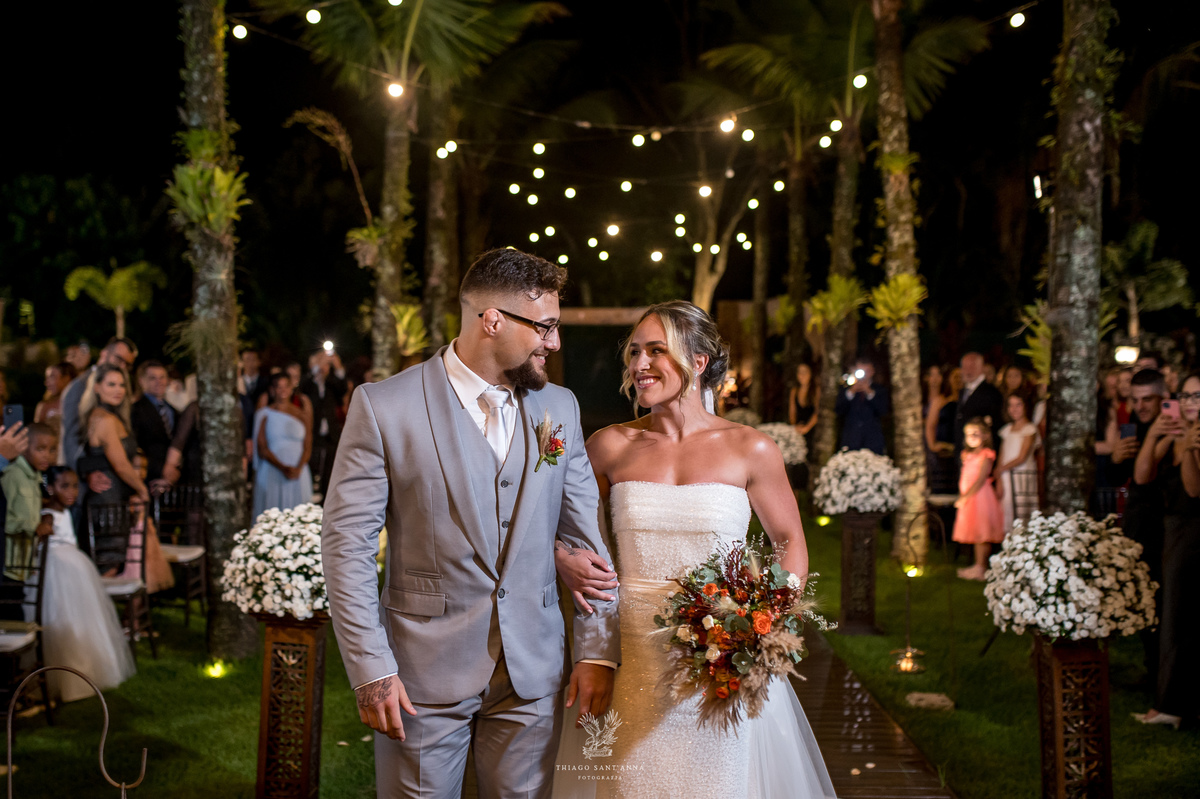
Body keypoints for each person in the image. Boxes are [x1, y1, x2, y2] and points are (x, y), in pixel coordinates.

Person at [322, 248, 621, 799]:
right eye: (545, 327)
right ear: (493, 321)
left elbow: (585, 543)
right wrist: (371, 668)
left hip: (532, 672)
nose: (555, 342)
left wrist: (596, 651)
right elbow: (347, 547)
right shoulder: (384, 407)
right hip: (421, 675)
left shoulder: (559, 408)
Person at [554, 301, 835, 798]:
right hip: (632, 655)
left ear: (699, 361)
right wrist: (565, 565)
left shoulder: (752, 449)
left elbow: (789, 542)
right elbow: (572, 540)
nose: (640, 364)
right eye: (634, 352)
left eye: (656, 351)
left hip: (721, 658)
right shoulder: (608, 446)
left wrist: (762, 626)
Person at [1131, 374, 1200, 729]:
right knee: (1173, 617)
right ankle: (1172, 704)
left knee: (1179, 617)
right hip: (1172, 530)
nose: (1189, 403)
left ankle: (1173, 705)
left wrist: (1188, 447)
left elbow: (1194, 488)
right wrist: (1156, 435)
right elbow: (1143, 475)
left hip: (1192, 530)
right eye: (1185, 396)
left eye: (1196, 396)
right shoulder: (1176, 432)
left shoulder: (1194, 438)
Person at [38, 465, 137, 702]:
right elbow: (44, 528)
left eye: (74, 486)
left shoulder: (66, 511)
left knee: (82, 618)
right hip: (58, 570)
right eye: (64, 486)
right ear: (50, 488)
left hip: (74, 568)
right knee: (63, 618)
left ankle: (85, 670)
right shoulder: (49, 513)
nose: (71, 492)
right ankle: (67, 677)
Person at [58, 337, 137, 473]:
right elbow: (72, 436)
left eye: (128, 364)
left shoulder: (121, 386)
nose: (123, 366)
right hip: (88, 475)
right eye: (119, 359)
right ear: (104, 353)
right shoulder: (79, 385)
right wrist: (86, 472)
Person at [79, 363, 150, 513]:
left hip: (114, 496)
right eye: (111, 384)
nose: (118, 390)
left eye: (122, 385)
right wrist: (143, 490)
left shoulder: (107, 416)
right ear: (96, 387)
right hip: (108, 498)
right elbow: (120, 465)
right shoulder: (105, 420)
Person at [1, 423, 57, 581]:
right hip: (8, 564)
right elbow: (4, 519)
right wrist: (34, 527)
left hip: (24, 564)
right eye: (40, 449)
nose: (47, 455)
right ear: (23, 447)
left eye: (52, 450)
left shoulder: (36, 477)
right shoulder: (12, 474)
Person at [252, 372, 313, 517]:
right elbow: (262, 447)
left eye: (286, 386)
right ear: (272, 390)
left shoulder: (302, 414)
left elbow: (308, 445)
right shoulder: (265, 414)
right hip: (273, 470)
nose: (283, 390)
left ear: (291, 388)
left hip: (298, 471)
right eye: (279, 387)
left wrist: (298, 468)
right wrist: (283, 467)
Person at [952, 418, 1003, 581]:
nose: (971, 437)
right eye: (968, 434)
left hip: (980, 497)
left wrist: (965, 497)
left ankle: (982, 566)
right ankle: (977, 565)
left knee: (982, 532)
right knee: (975, 532)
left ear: (985, 435)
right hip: (969, 497)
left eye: (975, 433)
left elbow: (980, 479)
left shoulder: (986, 454)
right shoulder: (966, 454)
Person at [300, 350, 348, 499]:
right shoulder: (308, 384)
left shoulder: (331, 384)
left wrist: (338, 367)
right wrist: (316, 368)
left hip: (331, 436)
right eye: (320, 363)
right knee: (313, 467)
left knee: (330, 470)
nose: (323, 367)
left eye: (326, 364)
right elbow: (302, 386)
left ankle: (326, 500)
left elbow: (343, 389)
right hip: (312, 434)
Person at [994, 393, 1040, 533]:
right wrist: (999, 476)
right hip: (1006, 474)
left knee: (1020, 507)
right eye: (1011, 405)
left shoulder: (1029, 429)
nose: (1014, 409)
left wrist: (1002, 469)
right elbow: (1002, 455)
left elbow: (1022, 457)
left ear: (1025, 406)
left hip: (1022, 473)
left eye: (1018, 405)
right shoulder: (1007, 430)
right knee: (1006, 506)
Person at [130, 360, 175, 488]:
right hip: (148, 479)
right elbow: (134, 448)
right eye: (152, 378)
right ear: (141, 381)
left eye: (162, 377)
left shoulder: (173, 411)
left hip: (173, 481)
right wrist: (161, 470)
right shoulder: (135, 410)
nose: (159, 382)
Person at [834, 356, 888, 454]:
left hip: (872, 441)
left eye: (867, 371)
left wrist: (869, 392)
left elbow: (883, 411)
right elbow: (839, 410)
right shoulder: (846, 389)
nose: (864, 375)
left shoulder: (879, 390)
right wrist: (851, 392)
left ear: (872, 372)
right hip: (851, 440)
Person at [954, 352, 1004, 453]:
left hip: (980, 453)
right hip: (963, 451)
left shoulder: (991, 392)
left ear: (981, 368)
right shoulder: (962, 391)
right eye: (965, 367)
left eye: (972, 366)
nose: (968, 371)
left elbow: (994, 425)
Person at [924, 364, 957, 494]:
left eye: (938, 374)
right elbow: (930, 426)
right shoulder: (936, 400)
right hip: (935, 445)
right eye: (932, 375)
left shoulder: (957, 399)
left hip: (952, 446)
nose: (935, 378)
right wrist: (932, 444)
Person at [34, 361, 77, 439]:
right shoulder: (44, 406)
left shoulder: (80, 404)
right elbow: (37, 434)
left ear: (66, 379)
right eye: (47, 378)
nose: (46, 382)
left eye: (52, 377)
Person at [788, 362, 819, 439]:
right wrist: (795, 426)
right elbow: (792, 412)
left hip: (812, 429)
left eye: (804, 372)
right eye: (799, 372)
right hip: (798, 428)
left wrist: (807, 428)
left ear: (810, 373)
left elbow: (817, 412)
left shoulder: (816, 390)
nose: (801, 375)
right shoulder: (794, 391)